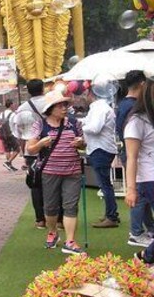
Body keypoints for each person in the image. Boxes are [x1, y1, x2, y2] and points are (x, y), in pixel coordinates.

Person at [26, 91, 87, 255]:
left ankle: (70, 240)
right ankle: (53, 232)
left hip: (72, 171)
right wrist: (41, 143)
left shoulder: (74, 123)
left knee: (70, 206)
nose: (64, 108)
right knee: (51, 207)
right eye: (60, 105)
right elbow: (30, 149)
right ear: (50, 108)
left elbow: (83, 145)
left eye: (65, 104)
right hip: (49, 172)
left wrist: (81, 143)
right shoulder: (40, 125)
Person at [117, 70, 154, 245]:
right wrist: (130, 189)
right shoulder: (136, 120)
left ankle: (146, 254)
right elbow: (131, 157)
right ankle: (138, 237)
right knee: (141, 204)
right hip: (148, 177)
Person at [83, 89, 119, 228]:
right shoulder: (101, 108)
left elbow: (94, 128)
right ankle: (111, 213)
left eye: (86, 94)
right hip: (100, 148)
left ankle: (111, 216)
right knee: (105, 184)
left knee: (104, 184)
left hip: (100, 149)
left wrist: (83, 126)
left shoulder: (100, 108)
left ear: (91, 94)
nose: (85, 97)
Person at [17, 79, 50, 228]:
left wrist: (23, 150)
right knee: (54, 182)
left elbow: (20, 131)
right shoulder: (50, 102)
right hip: (51, 145)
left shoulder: (23, 108)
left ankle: (40, 219)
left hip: (31, 148)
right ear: (43, 88)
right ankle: (58, 218)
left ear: (29, 91)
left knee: (36, 184)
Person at [0, 100, 20, 172]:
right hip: (11, 134)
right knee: (17, 149)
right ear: (11, 105)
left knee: (7, 150)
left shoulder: (2, 114)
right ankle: (8, 162)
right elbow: (16, 124)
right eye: (13, 104)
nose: (14, 106)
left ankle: (9, 165)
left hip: (3, 134)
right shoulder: (13, 114)